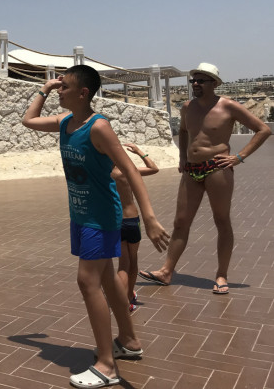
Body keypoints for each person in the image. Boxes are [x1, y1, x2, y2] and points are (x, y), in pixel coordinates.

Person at [22, 65, 170, 388]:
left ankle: (106, 366)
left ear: (83, 93)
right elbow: (28, 120)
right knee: (107, 278)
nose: (59, 90)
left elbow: (130, 170)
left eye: (64, 87)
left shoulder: (98, 127)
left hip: (100, 218)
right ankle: (129, 341)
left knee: (87, 281)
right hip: (81, 214)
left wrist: (149, 218)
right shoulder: (65, 122)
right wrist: (45, 89)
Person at [139, 62, 271, 294]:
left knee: (222, 220)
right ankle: (167, 271)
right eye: (193, 80)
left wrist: (239, 157)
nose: (195, 84)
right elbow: (183, 131)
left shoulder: (228, 106)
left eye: (201, 80)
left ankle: (221, 275)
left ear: (214, 83)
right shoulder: (187, 107)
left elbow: (263, 130)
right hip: (191, 169)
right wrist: (182, 157)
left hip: (217, 169)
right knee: (181, 221)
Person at [111, 144, 159, 312]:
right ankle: (128, 297)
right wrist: (139, 152)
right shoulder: (127, 171)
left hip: (114, 221)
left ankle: (122, 299)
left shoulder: (103, 174)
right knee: (133, 260)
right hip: (131, 220)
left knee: (123, 264)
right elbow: (153, 168)